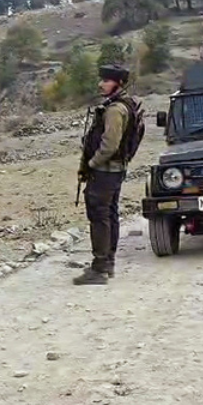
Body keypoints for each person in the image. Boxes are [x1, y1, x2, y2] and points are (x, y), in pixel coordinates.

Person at [74, 63, 141, 285]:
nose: (100, 84)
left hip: (105, 172)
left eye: (106, 80)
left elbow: (109, 145)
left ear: (118, 83)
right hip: (114, 171)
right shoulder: (123, 105)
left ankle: (100, 268)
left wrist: (91, 164)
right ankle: (107, 263)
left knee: (100, 216)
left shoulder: (115, 110)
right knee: (109, 215)